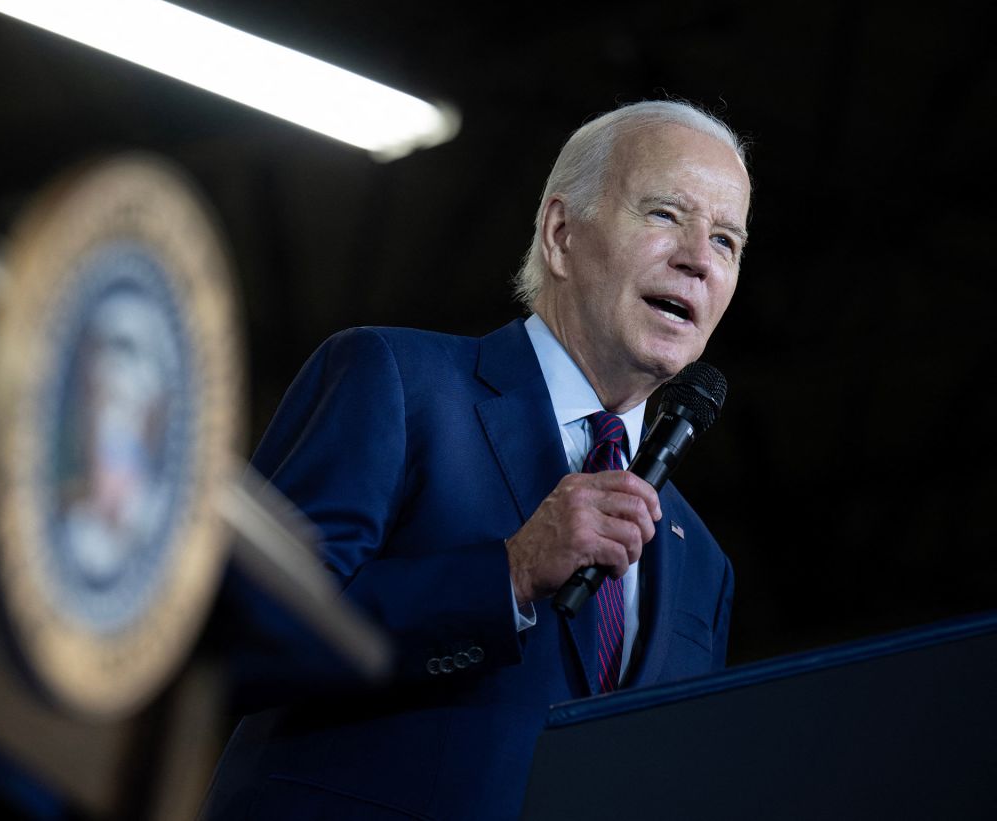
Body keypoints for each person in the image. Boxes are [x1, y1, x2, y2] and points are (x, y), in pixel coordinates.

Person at [203, 99, 750, 820]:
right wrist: (510, 573)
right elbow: (238, 641)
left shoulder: (702, 563)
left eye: (727, 241)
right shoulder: (395, 380)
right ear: (560, 234)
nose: (698, 259)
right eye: (664, 214)